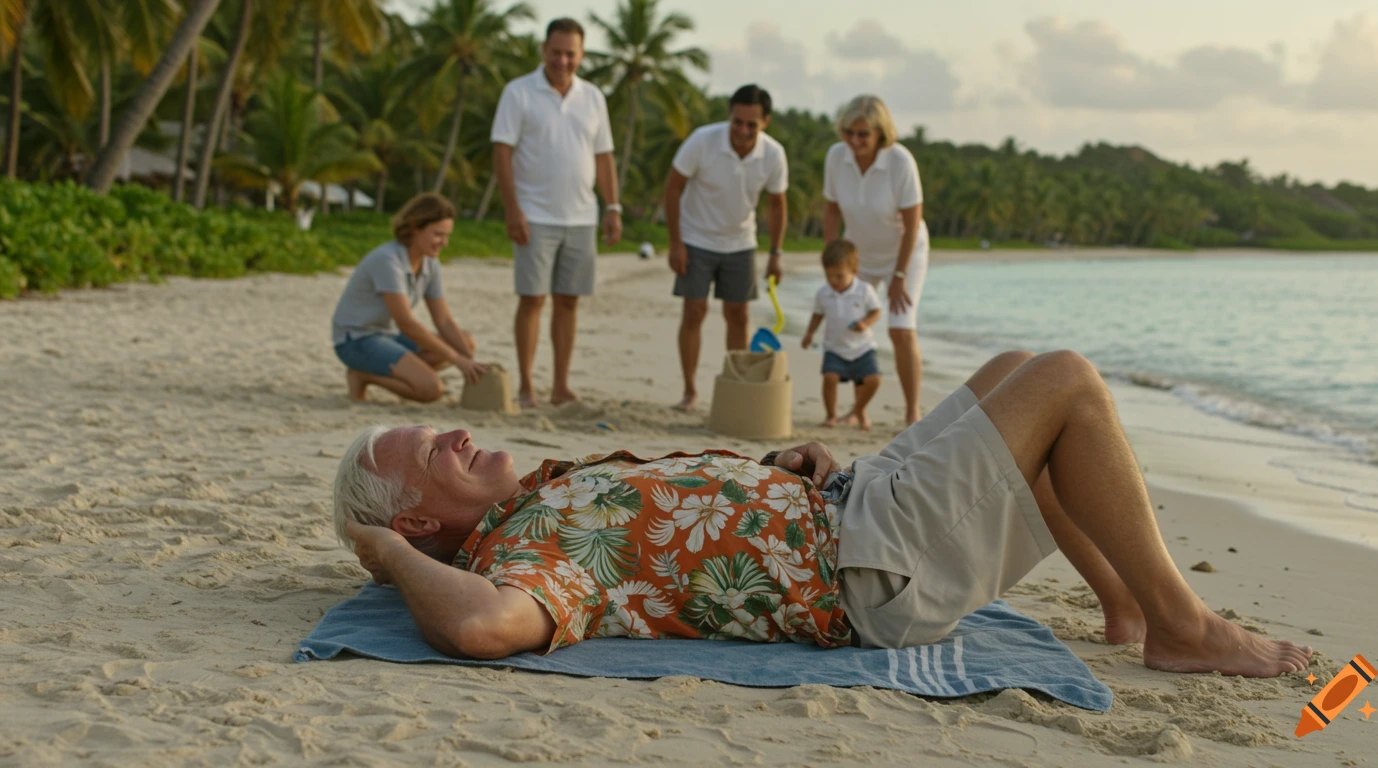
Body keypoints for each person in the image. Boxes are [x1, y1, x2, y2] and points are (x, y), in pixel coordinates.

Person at [333, 349, 1313, 681]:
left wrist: (778, 474)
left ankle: (1127, 608)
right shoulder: (530, 549)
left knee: (1013, 370)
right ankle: (1184, 629)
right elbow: (477, 625)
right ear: (418, 525)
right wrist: (376, 552)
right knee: (1065, 383)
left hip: (846, 507)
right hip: (868, 568)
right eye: (430, 456)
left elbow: (678, 521)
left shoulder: (544, 490)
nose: (452, 439)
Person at [491, 17, 622, 409]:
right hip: (533, 214)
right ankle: (528, 386)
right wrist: (512, 209)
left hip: (582, 216)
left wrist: (612, 206)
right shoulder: (518, 93)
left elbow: (604, 157)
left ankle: (561, 385)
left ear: (581, 55)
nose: (563, 61)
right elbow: (502, 153)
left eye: (571, 54)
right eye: (556, 52)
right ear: (543, 51)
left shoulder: (593, 97)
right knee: (532, 299)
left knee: (569, 301)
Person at [664, 84, 788, 412]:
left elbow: (777, 206)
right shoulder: (702, 141)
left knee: (739, 315)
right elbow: (672, 188)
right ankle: (690, 391)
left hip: (741, 242)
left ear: (765, 122)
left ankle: (736, 388)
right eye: (738, 121)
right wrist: (675, 243)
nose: (743, 130)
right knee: (694, 311)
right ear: (729, 116)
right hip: (696, 238)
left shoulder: (773, 154)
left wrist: (776, 253)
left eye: (752, 124)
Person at [823, 94, 928, 425]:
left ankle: (912, 414)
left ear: (880, 132)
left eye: (863, 134)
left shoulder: (900, 161)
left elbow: (912, 222)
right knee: (854, 329)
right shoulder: (837, 157)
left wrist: (898, 275)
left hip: (904, 254)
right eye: (849, 133)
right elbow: (831, 210)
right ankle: (858, 411)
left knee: (901, 329)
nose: (855, 141)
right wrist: (833, 257)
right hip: (859, 256)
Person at [331, 193, 487, 403]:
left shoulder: (430, 263)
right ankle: (362, 374)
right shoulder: (388, 260)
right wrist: (456, 359)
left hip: (389, 335)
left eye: (447, 235)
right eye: (438, 234)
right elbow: (406, 323)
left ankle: (407, 369)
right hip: (357, 339)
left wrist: (469, 360)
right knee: (431, 390)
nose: (444, 242)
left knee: (466, 342)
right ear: (415, 228)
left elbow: (444, 320)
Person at [801, 240, 883, 430]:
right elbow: (817, 315)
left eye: (839, 276)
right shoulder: (823, 294)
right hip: (835, 348)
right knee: (829, 378)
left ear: (854, 270)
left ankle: (858, 410)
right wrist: (809, 333)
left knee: (872, 380)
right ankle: (832, 415)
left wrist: (865, 323)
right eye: (829, 276)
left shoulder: (864, 290)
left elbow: (876, 311)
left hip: (863, 347)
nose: (834, 281)